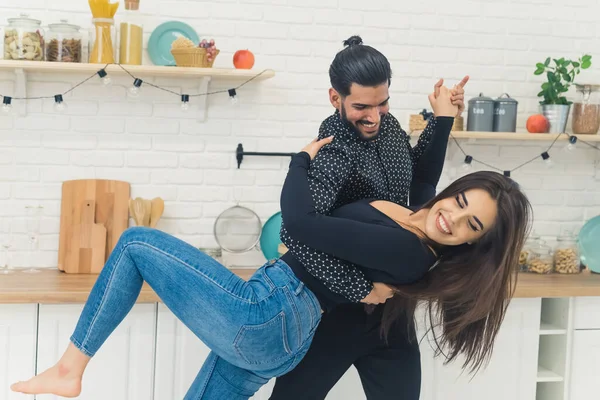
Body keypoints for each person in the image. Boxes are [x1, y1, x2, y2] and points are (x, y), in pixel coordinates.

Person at [10, 83, 532, 400]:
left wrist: (299, 161)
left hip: (270, 311)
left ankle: (68, 369)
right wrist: (443, 118)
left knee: (133, 243)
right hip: (281, 334)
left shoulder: (410, 250)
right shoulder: (416, 218)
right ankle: (66, 372)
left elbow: (296, 227)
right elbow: (423, 193)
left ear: (474, 245)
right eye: (460, 203)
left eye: (471, 226)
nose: (452, 219)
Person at [272, 35, 470, 399]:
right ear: (336, 98)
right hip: (335, 313)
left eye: (383, 103)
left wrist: (443, 119)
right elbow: (295, 231)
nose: (375, 115)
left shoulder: (389, 127)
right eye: (363, 106)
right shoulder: (333, 149)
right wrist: (361, 289)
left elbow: (420, 182)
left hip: (393, 313)